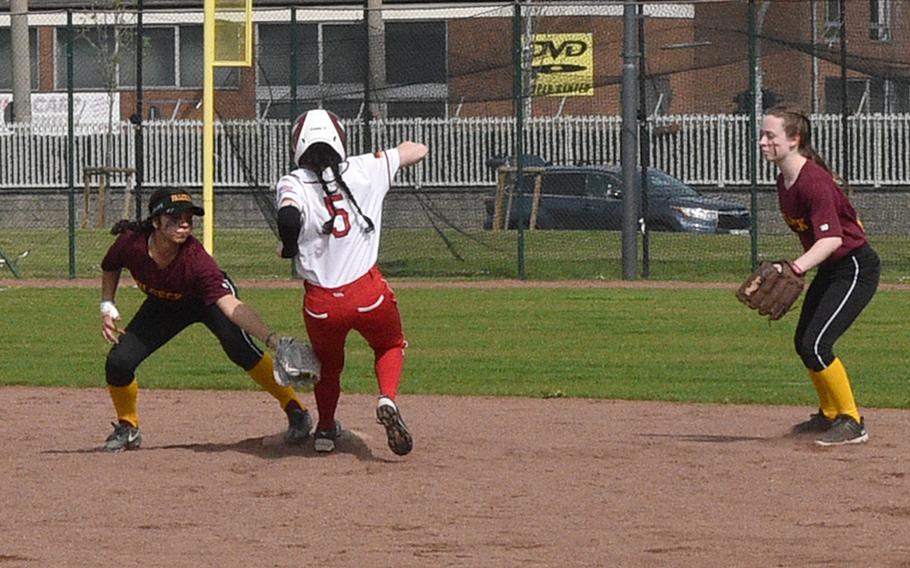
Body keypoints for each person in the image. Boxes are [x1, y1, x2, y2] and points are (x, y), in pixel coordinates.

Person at [99, 188, 312, 452]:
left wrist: (272, 339)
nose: (184, 223)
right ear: (155, 221)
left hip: (207, 301)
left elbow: (229, 304)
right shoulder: (131, 244)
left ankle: (296, 410)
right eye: (174, 217)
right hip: (164, 305)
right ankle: (128, 427)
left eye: (188, 218)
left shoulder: (196, 260)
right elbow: (110, 266)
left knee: (241, 350)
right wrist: (107, 305)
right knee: (119, 362)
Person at [274, 109, 428, 455]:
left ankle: (326, 430)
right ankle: (386, 398)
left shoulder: (293, 181)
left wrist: (288, 246)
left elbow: (288, 215)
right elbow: (417, 149)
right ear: (339, 138)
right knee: (390, 345)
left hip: (322, 305)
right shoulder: (364, 168)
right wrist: (384, 157)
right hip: (368, 293)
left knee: (327, 367)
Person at [759, 104, 880, 446]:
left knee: (818, 343)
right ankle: (829, 415)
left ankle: (852, 421)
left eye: (770, 135)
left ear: (794, 140)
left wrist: (795, 268)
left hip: (855, 267)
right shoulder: (784, 179)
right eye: (762, 135)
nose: (763, 142)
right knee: (804, 343)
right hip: (832, 268)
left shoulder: (813, 180)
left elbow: (832, 239)